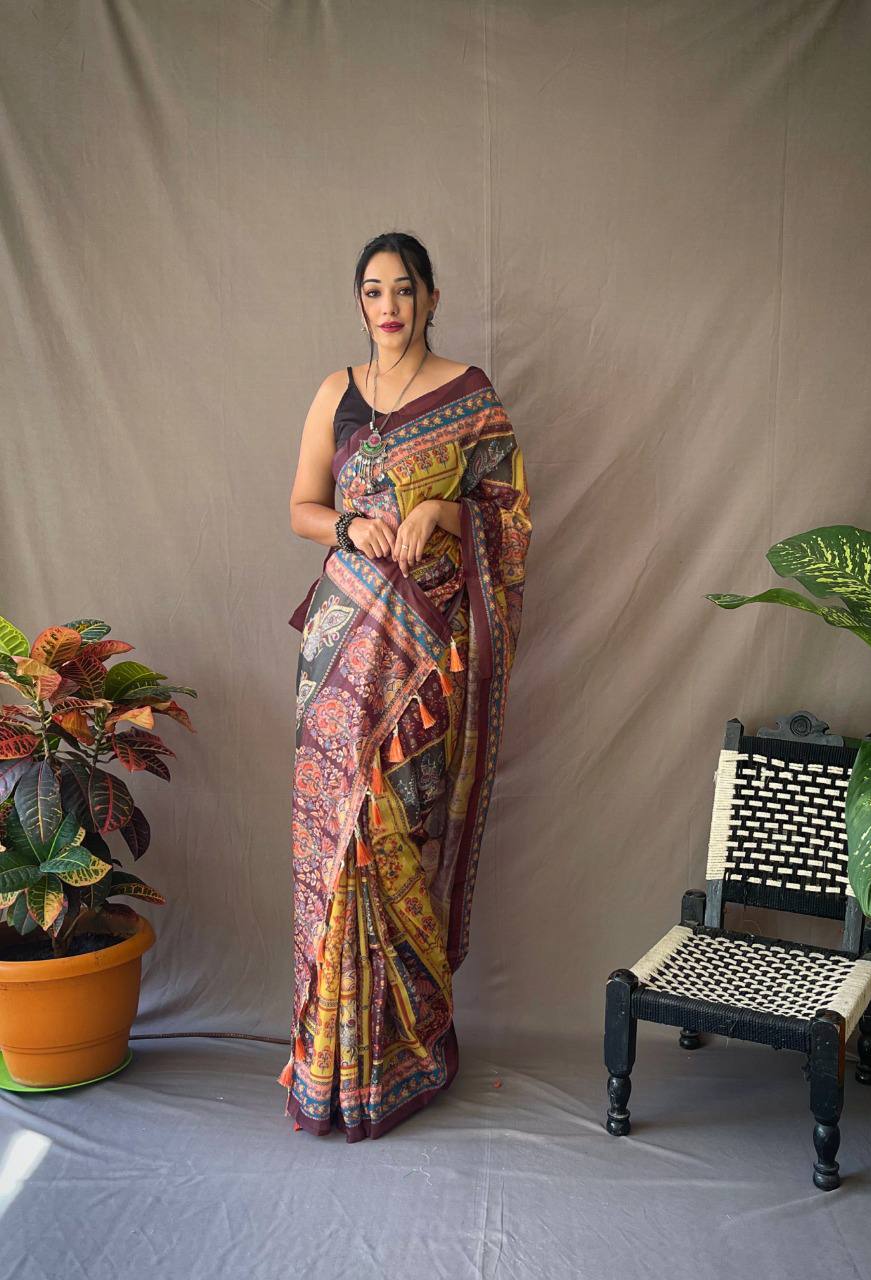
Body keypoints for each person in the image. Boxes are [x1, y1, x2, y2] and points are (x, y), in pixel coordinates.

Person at [278, 231, 532, 1140]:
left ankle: (409, 1056)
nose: (387, 306)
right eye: (372, 291)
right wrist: (349, 531)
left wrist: (444, 509)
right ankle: (330, 1069)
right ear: (360, 303)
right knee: (336, 844)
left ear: (431, 298)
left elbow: (511, 527)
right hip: (342, 652)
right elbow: (303, 506)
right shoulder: (334, 395)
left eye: (403, 289)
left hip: (428, 660)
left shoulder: (470, 397)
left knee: (393, 835)